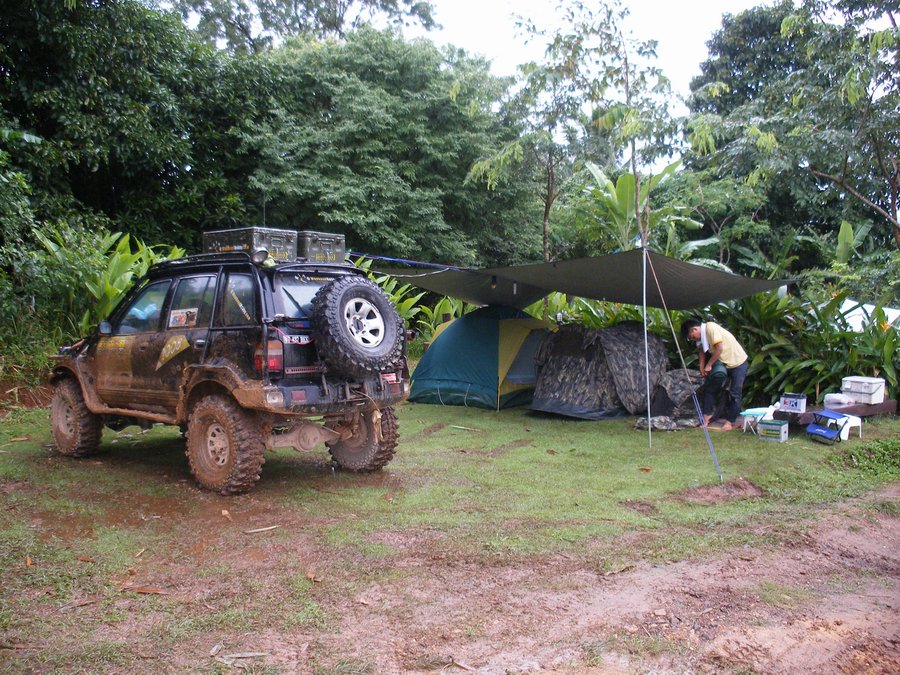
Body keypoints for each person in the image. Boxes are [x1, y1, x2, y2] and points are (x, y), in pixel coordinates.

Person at [680, 319, 748, 431]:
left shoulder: (710, 327)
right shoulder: (701, 337)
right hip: (724, 363)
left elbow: (719, 348)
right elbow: (701, 351)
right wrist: (702, 367)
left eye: (692, 337)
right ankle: (706, 418)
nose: (693, 339)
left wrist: (709, 365)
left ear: (694, 329)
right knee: (710, 388)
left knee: (735, 393)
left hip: (738, 363)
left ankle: (729, 422)